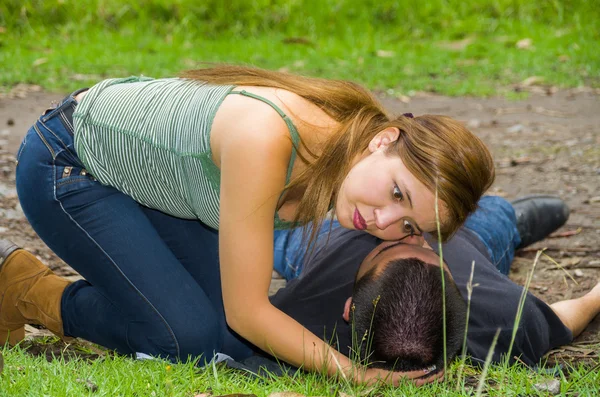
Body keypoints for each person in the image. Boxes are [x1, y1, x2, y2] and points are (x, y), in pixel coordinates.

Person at [2, 65, 494, 385]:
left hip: (153, 193)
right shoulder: (270, 138)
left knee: (231, 344)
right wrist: (355, 374)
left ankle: (133, 291)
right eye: (396, 193)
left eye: (407, 225)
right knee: (186, 340)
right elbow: (248, 311)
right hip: (67, 164)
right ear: (384, 140)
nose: (382, 220)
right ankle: (26, 289)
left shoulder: (342, 164)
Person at [262, 195, 597, 372]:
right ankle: (510, 223)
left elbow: (245, 319)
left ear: (348, 307)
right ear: (465, 302)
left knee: (270, 231)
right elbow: (564, 318)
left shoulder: (297, 319)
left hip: (324, 245)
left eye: (391, 249)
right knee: (493, 210)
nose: (418, 237)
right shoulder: (504, 316)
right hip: (468, 236)